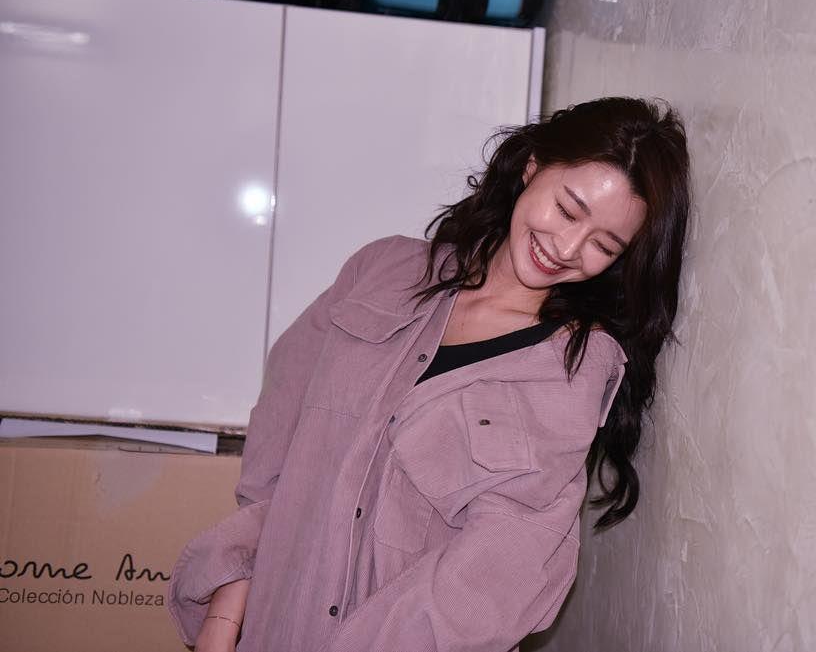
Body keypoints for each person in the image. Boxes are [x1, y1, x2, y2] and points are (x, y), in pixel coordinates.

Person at [166, 96, 691, 652]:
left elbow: (498, 568)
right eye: (567, 210)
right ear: (532, 167)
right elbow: (275, 468)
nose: (567, 248)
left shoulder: (575, 366)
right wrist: (225, 620)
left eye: (603, 245)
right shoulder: (381, 271)